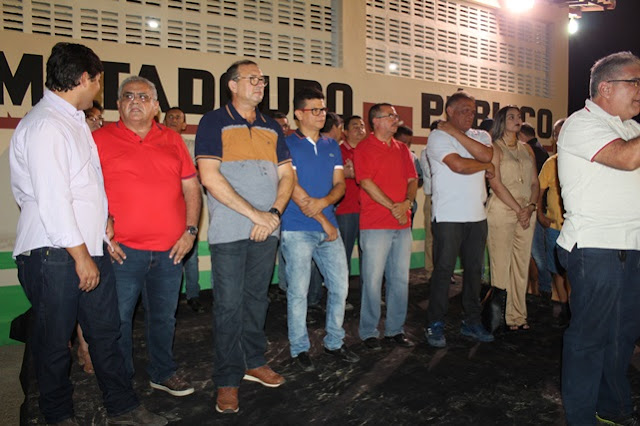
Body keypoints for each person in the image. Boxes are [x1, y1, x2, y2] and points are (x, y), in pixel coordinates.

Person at [10, 42, 166, 425]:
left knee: (106, 333)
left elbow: (83, 189)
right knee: (54, 343)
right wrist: (81, 256)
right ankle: (58, 416)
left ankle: (123, 406)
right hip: (54, 253)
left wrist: (102, 230)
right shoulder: (46, 125)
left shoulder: (74, 121)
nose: (98, 90)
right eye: (98, 82)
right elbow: (53, 199)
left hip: (85, 247)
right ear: (85, 78)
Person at [195, 60, 294, 414]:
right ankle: (227, 378)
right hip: (230, 231)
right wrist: (257, 215)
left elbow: (287, 176)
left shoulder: (271, 126)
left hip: (267, 229)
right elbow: (209, 177)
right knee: (228, 305)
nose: (260, 84)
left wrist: (274, 215)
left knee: (256, 300)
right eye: (252, 78)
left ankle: (253, 361)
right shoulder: (213, 121)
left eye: (262, 79)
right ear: (232, 85)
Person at [94, 76, 200, 398]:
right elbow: (83, 191)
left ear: (156, 107)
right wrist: (100, 231)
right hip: (122, 252)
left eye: (143, 97)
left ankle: (162, 373)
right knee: (119, 321)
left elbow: (191, 188)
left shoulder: (172, 140)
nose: (135, 101)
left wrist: (191, 232)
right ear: (118, 105)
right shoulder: (98, 140)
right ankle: (121, 382)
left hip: (171, 251)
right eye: (128, 96)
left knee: (164, 318)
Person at [556, 51, 640, 425]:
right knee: (588, 339)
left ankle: (613, 409)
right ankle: (580, 418)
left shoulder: (631, 129)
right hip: (596, 248)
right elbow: (625, 159)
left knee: (622, 337)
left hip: (631, 246)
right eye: (635, 82)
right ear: (605, 88)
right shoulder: (581, 124)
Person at [281, 87, 359, 372]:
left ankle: (334, 342)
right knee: (298, 291)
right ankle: (299, 348)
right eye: (314, 109)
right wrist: (324, 220)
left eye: (323, 109)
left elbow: (340, 185)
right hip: (297, 228)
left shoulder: (331, 145)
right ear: (299, 114)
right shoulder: (287, 144)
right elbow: (292, 187)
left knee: (340, 286)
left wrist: (324, 204)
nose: (321, 114)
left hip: (328, 226)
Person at [425, 91, 495, 348]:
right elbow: (458, 165)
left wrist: (456, 133)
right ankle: (435, 323)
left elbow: (486, 155)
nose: (470, 115)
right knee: (443, 272)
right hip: (448, 216)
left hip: (477, 215)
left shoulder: (481, 135)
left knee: (474, 272)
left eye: (473, 111)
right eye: (464, 110)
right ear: (450, 111)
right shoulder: (437, 136)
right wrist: (484, 166)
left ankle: (471, 321)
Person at [354, 103, 418, 350]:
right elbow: (366, 183)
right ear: (376, 121)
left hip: (402, 224)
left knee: (400, 280)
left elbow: (412, 180)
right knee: (372, 281)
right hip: (375, 224)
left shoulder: (402, 149)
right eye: (390, 116)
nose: (395, 119)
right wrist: (395, 207)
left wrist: (407, 203)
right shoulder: (364, 148)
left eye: (395, 115)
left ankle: (394, 330)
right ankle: (369, 331)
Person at [486, 106, 539, 331]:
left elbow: (535, 183)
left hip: (527, 212)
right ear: (502, 121)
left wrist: (531, 207)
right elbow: (495, 183)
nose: (517, 120)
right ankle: (498, 318)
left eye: (519, 117)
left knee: (521, 265)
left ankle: (518, 316)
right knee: (500, 266)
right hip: (502, 211)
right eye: (512, 117)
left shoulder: (527, 149)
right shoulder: (493, 148)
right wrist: (519, 209)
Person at [163, 106, 205, 314]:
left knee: (190, 255)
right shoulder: (157, 144)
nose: (173, 120)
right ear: (163, 121)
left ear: (184, 124)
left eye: (178, 117)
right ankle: (168, 300)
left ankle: (193, 295)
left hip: (188, 209)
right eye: (170, 116)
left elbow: (200, 174)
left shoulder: (191, 146)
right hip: (164, 210)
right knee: (166, 258)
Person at [537, 118, 569, 328]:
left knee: (573, 272)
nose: (559, 137)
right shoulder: (551, 163)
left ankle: (573, 309)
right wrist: (540, 215)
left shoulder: (583, 161)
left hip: (575, 229)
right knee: (557, 270)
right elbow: (539, 191)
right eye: (556, 134)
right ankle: (565, 309)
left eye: (563, 132)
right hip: (554, 229)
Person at [519, 122, 552, 296]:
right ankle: (543, 290)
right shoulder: (542, 151)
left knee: (537, 253)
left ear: (521, 135)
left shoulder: (530, 152)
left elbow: (536, 185)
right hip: (538, 208)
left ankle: (545, 290)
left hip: (533, 208)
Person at [336, 115, 366, 279]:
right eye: (355, 126)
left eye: (362, 126)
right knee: (343, 255)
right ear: (345, 132)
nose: (360, 129)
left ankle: (367, 292)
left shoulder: (368, 151)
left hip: (367, 210)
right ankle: (342, 292)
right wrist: (346, 173)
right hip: (346, 210)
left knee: (368, 255)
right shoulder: (338, 151)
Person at [394, 125, 423, 228]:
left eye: (409, 143)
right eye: (403, 142)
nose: (406, 145)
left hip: (409, 206)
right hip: (391, 207)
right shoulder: (387, 157)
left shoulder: (413, 158)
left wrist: (412, 181)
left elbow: (420, 180)